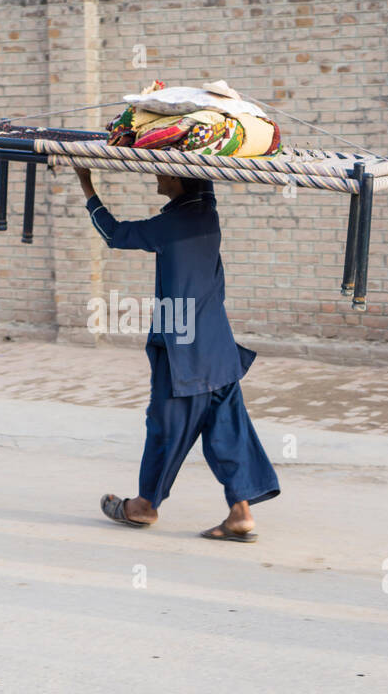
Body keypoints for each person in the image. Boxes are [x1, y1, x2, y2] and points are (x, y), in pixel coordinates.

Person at [74, 165, 280, 543]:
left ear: (181, 179)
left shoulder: (167, 228)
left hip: (183, 353)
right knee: (227, 431)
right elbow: (206, 180)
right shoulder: (207, 215)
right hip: (219, 350)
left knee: (165, 428)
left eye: (162, 172)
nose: (155, 177)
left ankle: (143, 506)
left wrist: (87, 184)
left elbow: (114, 234)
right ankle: (240, 514)